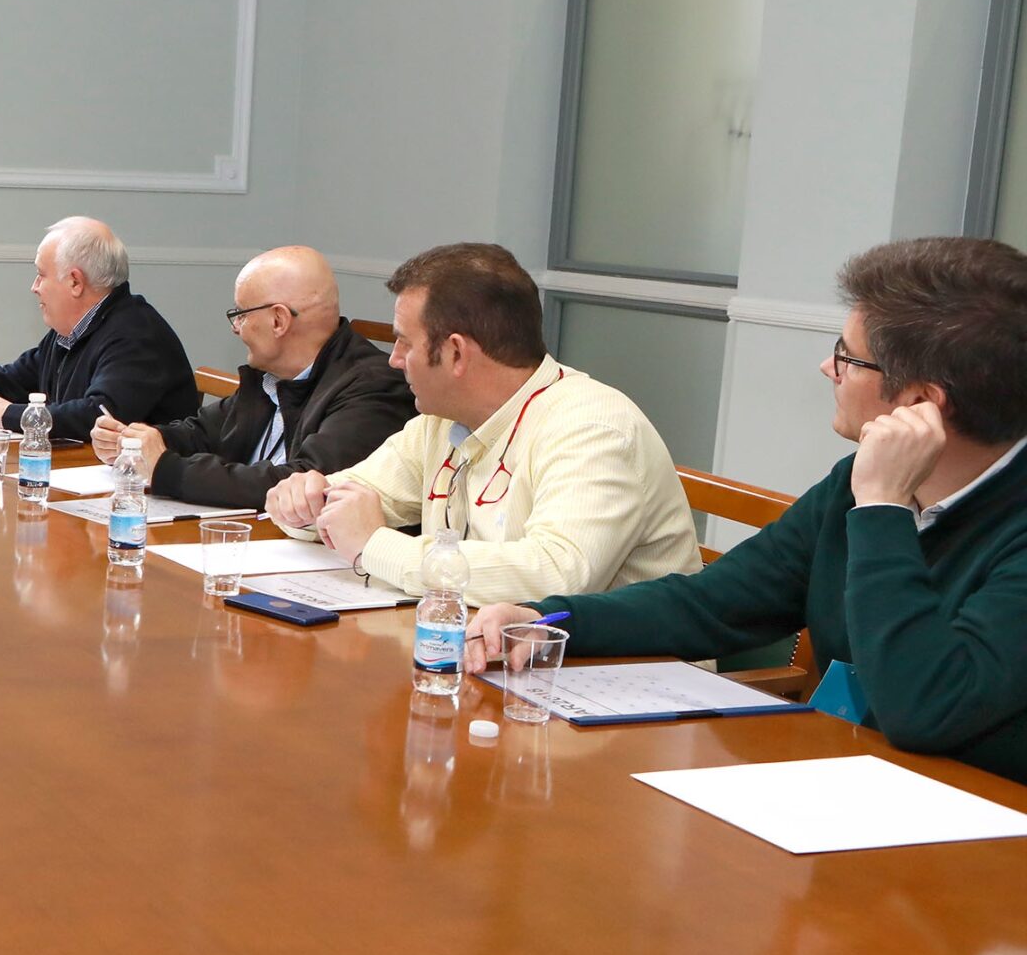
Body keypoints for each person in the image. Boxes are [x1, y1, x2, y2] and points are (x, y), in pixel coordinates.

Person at [469, 238, 1027, 784]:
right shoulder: (855, 484)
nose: (827, 368)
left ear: (921, 402)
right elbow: (715, 603)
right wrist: (547, 619)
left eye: (847, 356)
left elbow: (924, 706)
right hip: (854, 780)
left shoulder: (887, 495)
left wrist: (883, 509)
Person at [264, 242, 696, 603]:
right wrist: (304, 502)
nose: (394, 360)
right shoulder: (440, 421)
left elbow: (556, 575)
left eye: (404, 343)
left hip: (622, 671)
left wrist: (374, 545)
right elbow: (353, 500)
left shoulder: (592, 429)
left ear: (456, 353)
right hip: (484, 650)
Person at [92, 245, 412, 507]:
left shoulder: (375, 387)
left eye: (241, 315)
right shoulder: (270, 376)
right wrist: (135, 443)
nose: (236, 328)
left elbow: (302, 483)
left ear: (278, 321)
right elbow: (201, 433)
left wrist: (165, 469)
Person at [0, 217, 197, 441]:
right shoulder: (74, 329)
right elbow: (7, 380)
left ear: (75, 282)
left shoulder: (137, 336)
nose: (34, 287)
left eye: (41, 274)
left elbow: (96, 416)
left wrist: (7, 416)